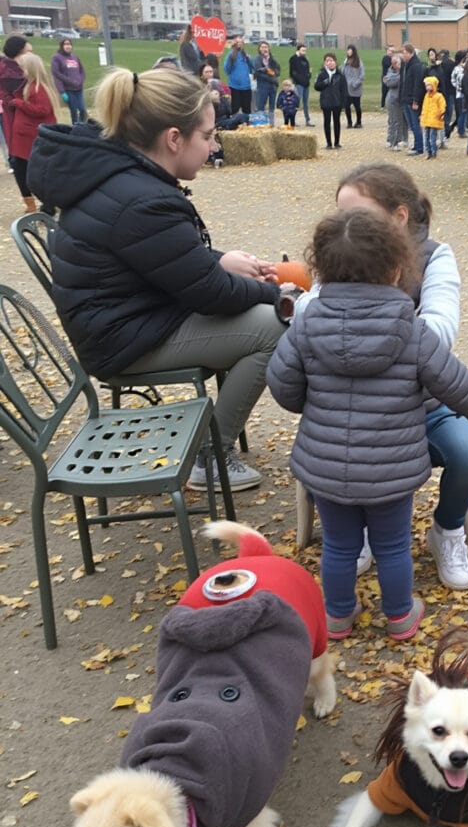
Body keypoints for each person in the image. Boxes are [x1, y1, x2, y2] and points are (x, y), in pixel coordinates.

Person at [28, 66, 289, 492]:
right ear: (173, 138)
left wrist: (220, 260)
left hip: (128, 317)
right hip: (125, 341)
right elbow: (210, 294)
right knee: (275, 328)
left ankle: (213, 445)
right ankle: (211, 457)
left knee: (262, 309)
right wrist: (277, 293)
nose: (214, 145)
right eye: (207, 136)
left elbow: (167, 260)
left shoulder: (121, 174)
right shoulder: (142, 200)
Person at [268, 206, 468, 640]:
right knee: (392, 546)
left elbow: (282, 385)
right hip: (392, 471)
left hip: (327, 468)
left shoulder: (307, 324)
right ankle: (400, 616)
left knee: (339, 546)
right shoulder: (412, 329)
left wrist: (314, 405)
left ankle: (337, 616)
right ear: (397, 269)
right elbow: (454, 382)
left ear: (322, 272)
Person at [294, 163, 468, 589]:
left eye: (357, 215)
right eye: (341, 216)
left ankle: (447, 528)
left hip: (420, 398)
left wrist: (370, 326)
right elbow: (306, 311)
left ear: (399, 216)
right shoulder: (342, 252)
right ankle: (355, 530)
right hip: (351, 407)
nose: (345, 225)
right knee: (332, 452)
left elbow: (441, 330)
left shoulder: (436, 257)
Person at [9, 53, 57, 213]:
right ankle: (34, 203)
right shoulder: (30, 85)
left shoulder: (38, 88)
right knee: (22, 169)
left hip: (30, 137)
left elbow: (43, 110)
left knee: (30, 172)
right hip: (25, 137)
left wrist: (19, 103)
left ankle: (47, 204)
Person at [1, 35, 29, 160]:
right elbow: (12, 100)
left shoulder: (20, 69)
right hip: (15, 118)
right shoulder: (9, 72)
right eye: (28, 52)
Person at [50, 38, 87, 124]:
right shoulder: (57, 58)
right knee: (74, 111)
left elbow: (82, 70)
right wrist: (62, 92)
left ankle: (83, 126)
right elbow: (56, 74)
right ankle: (75, 128)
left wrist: (81, 80)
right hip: (69, 90)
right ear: (62, 46)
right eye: (66, 44)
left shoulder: (74, 57)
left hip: (79, 89)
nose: (68, 46)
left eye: (69, 44)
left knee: (82, 110)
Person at [314, 52, 347, 149]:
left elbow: (344, 90)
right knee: (327, 122)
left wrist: (343, 103)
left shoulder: (340, 75)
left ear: (335, 62)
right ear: (325, 63)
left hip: (337, 102)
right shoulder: (322, 74)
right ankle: (328, 143)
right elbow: (317, 87)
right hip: (326, 102)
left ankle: (337, 142)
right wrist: (324, 82)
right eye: (327, 61)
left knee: (337, 122)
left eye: (332, 60)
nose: (330, 63)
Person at [399, 43, 426, 156]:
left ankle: (419, 147)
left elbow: (417, 85)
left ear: (411, 53)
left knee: (415, 124)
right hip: (406, 98)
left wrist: (415, 100)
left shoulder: (416, 66)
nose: (403, 55)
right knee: (412, 125)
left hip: (412, 100)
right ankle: (416, 144)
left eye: (404, 53)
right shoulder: (407, 65)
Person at [224, 36, 253, 115]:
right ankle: (234, 124)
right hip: (234, 86)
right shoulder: (230, 55)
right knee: (235, 109)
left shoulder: (246, 56)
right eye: (237, 42)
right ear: (234, 44)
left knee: (247, 109)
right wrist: (230, 60)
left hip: (246, 86)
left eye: (241, 42)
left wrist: (249, 59)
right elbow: (226, 70)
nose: (239, 44)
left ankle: (246, 125)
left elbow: (252, 69)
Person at [252, 42, 280, 125]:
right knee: (261, 105)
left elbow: (278, 71)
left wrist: (271, 72)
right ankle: (261, 124)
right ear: (259, 49)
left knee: (272, 106)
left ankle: (271, 124)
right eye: (262, 47)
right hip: (262, 85)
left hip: (272, 86)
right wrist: (269, 75)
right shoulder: (257, 59)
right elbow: (257, 72)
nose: (264, 49)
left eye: (266, 47)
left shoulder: (272, 59)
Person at [420, 75, 445, 159]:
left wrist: (441, 114)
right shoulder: (426, 96)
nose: (427, 87)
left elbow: (442, 106)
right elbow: (424, 107)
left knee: (432, 137)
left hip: (434, 119)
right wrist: (422, 116)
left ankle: (434, 152)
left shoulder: (439, 96)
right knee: (426, 137)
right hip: (427, 119)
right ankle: (428, 152)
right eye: (426, 85)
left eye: (429, 85)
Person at [289, 44, 313, 127]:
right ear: (298, 50)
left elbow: (308, 70)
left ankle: (308, 120)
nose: (304, 52)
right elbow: (292, 73)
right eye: (303, 50)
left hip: (306, 84)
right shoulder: (293, 59)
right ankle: (293, 120)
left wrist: (309, 75)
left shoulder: (305, 59)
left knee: (306, 103)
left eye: (305, 50)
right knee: (296, 102)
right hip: (299, 84)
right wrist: (297, 81)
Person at [383, 54, 403, 149]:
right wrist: (396, 78)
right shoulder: (391, 71)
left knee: (398, 121)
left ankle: (396, 140)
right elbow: (389, 82)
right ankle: (392, 141)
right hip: (392, 99)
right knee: (393, 120)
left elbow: (388, 80)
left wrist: (390, 79)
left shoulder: (402, 72)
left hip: (398, 99)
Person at [343, 45, 365, 128]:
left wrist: (355, 84)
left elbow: (362, 75)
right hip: (347, 89)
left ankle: (359, 122)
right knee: (347, 106)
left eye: (350, 50)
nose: (348, 51)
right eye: (347, 50)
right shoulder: (346, 61)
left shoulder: (358, 62)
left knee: (357, 106)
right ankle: (349, 122)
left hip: (355, 89)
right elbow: (343, 72)